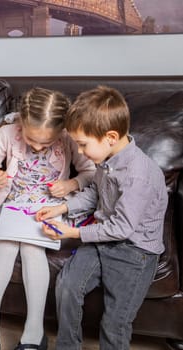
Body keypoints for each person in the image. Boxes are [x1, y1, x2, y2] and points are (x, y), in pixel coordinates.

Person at [36, 86, 168, 350]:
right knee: (67, 286)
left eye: (83, 145)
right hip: (102, 238)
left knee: (115, 322)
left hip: (135, 251)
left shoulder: (137, 175)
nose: (81, 153)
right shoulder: (107, 159)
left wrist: (72, 233)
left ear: (110, 137)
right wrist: (63, 208)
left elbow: (121, 228)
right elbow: (97, 194)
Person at [0, 87, 96, 350]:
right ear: (22, 124)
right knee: (4, 244)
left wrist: (71, 184)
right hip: (14, 201)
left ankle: (33, 332)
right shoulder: (6, 134)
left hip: (50, 205)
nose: (36, 147)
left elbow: (90, 172)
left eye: (45, 144)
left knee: (32, 247)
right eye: (31, 139)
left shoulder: (69, 137)